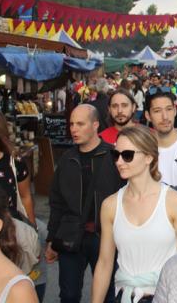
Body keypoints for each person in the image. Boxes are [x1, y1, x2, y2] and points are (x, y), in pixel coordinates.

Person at [91, 126, 177, 303]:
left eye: (127, 155)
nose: (119, 162)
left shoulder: (175, 202)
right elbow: (105, 262)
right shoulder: (110, 205)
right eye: (116, 155)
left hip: (166, 297)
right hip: (124, 297)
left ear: (148, 157)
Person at [46, 104, 124, 303]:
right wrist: (51, 238)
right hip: (71, 236)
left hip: (105, 237)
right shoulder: (67, 159)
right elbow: (57, 202)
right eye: (71, 124)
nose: (73, 129)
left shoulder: (114, 157)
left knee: (109, 294)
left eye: (80, 124)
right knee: (69, 295)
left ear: (95, 125)